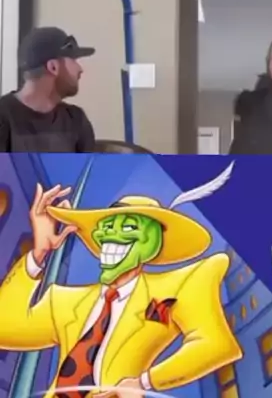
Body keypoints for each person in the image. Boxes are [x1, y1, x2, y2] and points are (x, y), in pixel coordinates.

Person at [0, 169, 241, 397]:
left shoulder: (180, 286)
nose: (111, 236)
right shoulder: (64, 301)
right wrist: (39, 253)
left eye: (128, 227)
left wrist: (144, 382)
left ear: (153, 244)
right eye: (106, 228)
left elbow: (215, 344)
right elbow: (5, 329)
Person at [0, 26, 97, 152]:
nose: (80, 69)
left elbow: (89, 165)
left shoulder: (76, 120)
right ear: (53, 67)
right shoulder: (4, 117)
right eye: (73, 60)